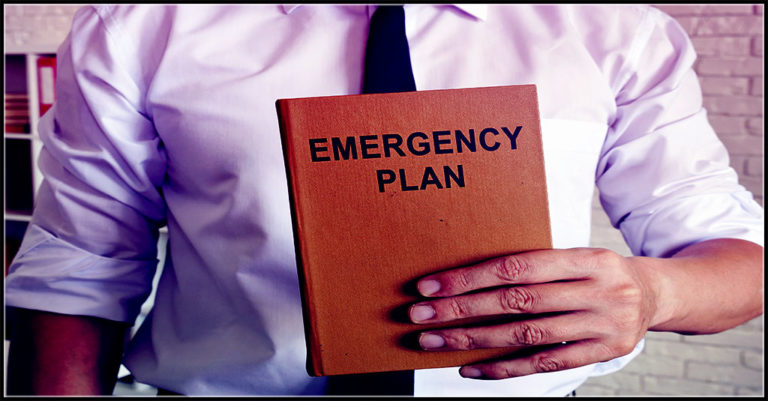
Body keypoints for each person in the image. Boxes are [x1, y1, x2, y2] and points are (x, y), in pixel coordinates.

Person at [5, 4, 763, 397]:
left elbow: (738, 258)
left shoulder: (614, 30)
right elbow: (82, 265)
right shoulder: (143, 25)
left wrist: (655, 289)